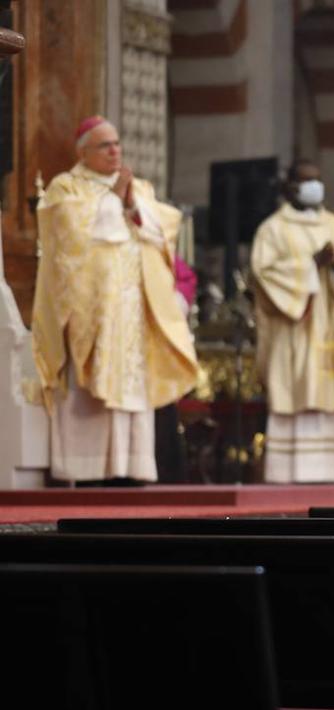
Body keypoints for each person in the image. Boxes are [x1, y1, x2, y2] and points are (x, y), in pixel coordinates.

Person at [30, 116, 200, 484]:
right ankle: (85, 469)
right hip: (91, 311)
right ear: (83, 152)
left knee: (132, 385)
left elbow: (162, 231)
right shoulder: (67, 188)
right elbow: (67, 235)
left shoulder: (139, 188)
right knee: (89, 389)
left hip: (131, 311)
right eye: (105, 145)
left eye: (117, 143)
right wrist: (114, 201)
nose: (115, 151)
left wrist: (131, 206)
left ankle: (131, 467)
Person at [250, 160, 334, 484]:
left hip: (330, 321)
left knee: (332, 389)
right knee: (297, 387)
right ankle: (289, 473)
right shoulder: (272, 229)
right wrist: (308, 266)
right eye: (306, 181)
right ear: (289, 187)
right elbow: (263, 273)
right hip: (295, 326)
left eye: (317, 180)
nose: (314, 186)